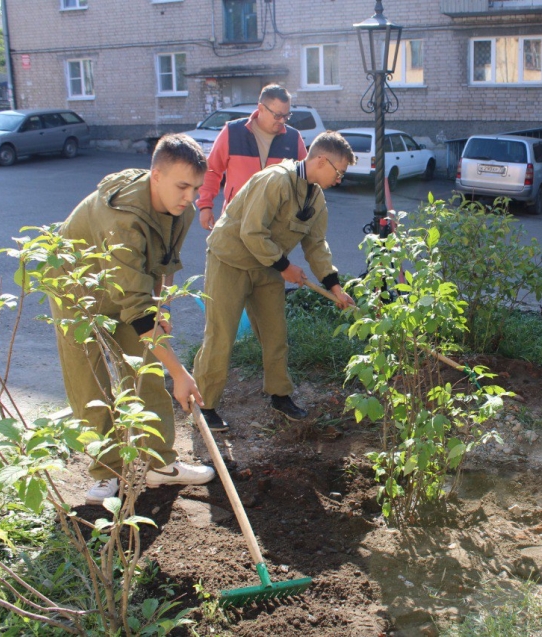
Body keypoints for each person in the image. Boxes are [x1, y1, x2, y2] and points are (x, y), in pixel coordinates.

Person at [50, 134, 216, 505]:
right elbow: (137, 311)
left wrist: (163, 307)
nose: (190, 196)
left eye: (196, 188)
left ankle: (159, 464)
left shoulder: (181, 209)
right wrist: (181, 372)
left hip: (130, 289)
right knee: (90, 384)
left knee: (146, 372)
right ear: (155, 175)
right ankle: (106, 472)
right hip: (79, 291)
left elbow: (164, 265)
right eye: (182, 186)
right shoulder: (123, 218)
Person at [193, 131, 356, 430]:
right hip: (230, 261)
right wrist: (285, 267)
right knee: (221, 336)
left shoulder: (316, 197)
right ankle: (205, 406)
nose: (340, 179)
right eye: (339, 171)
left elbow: (317, 245)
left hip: (268, 267)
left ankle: (280, 395)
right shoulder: (277, 180)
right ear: (321, 161)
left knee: (275, 335)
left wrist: (335, 287)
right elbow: (252, 232)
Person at [196, 84, 307, 231]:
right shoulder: (232, 132)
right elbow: (211, 170)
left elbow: (305, 178)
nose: (282, 121)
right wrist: (205, 206)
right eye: (278, 115)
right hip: (235, 221)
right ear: (261, 109)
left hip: (274, 226)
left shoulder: (293, 138)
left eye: (286, 116)